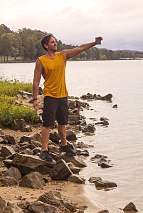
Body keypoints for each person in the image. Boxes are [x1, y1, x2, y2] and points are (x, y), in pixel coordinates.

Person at [32, 34, 103, 162]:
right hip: (50, 96)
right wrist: (35, 99)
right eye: (52, 42)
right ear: (46, 45)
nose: (55, 44)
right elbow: (36, 81)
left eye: (55, 41)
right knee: (47, 124)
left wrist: (95, 43)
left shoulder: (63, 55)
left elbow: (80, 48)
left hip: (63, 95)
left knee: (63, 123)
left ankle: (64, 146)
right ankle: (44, 150)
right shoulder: (41, 60)